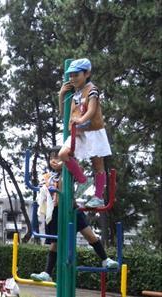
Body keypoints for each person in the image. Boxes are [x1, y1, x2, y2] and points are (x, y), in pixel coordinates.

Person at [31, 147, 118, 282]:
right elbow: (43, 191)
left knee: (90, 235)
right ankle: (47, 273)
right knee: (55, 243)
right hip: (56, 212)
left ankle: (105, 259)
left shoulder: (69, 172)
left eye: (57, 157)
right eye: (52, 157)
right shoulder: (48, 176)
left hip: (72, 210)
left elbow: (80, 170)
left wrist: (65, 164)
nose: (54, 160)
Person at [57, 58, 112, 208]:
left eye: (76, 75)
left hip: (93, 132)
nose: (72, 78)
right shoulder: (74, 93)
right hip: (78, 132)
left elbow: (92, 110)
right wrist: (61, 95)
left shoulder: (92, 90)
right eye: (71, 75)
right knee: (63, 154)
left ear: (86, 74)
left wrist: (81, 120)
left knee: (97, 164)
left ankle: (98, 196)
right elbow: (64, 114)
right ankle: (83, 180)